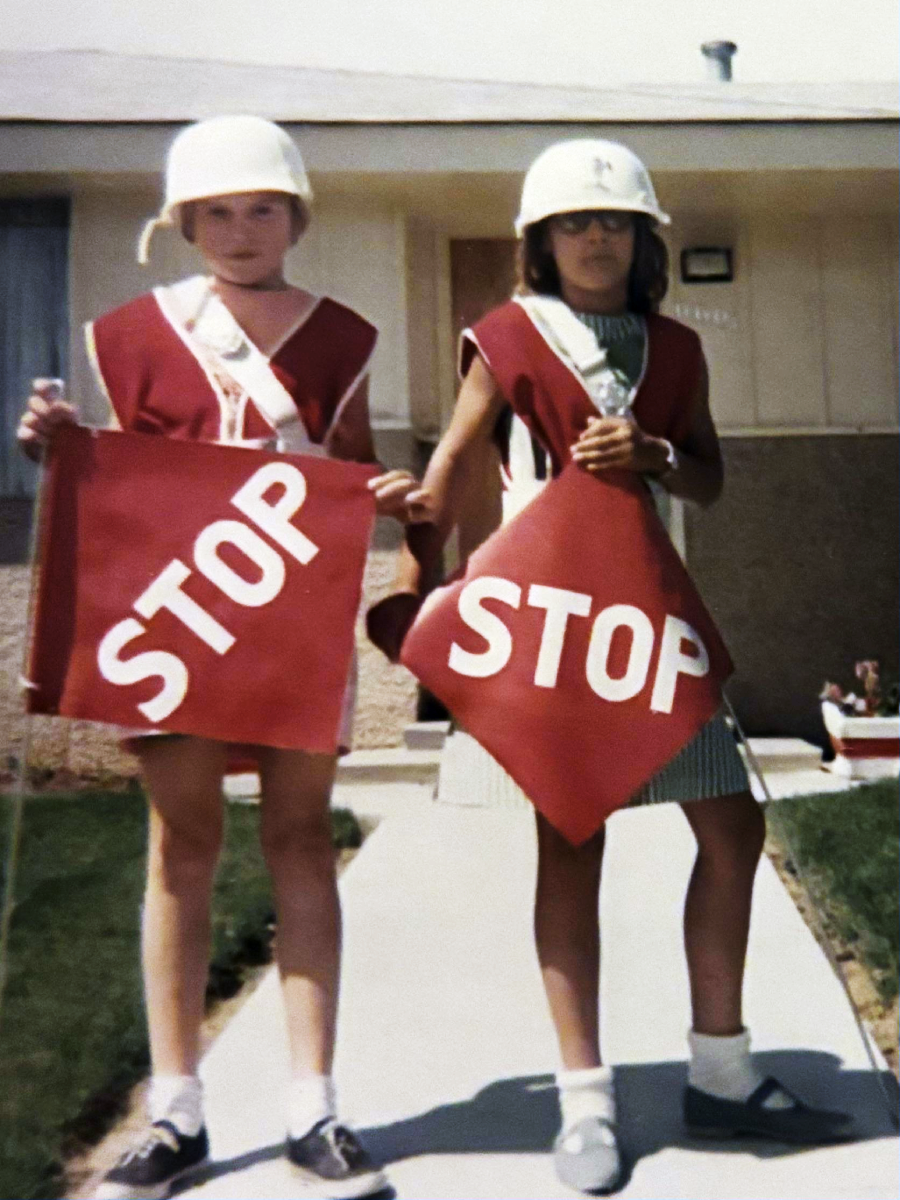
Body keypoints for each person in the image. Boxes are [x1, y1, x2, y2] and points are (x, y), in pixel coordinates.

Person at [369, 138, 851, 1193]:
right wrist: (418, 578)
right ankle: (583, 1100)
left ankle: (721, 1072)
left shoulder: (674, 350)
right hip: (549, 621)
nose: (597, 237)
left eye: (617, 222)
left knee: (734, 823)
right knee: (570, 841)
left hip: (648, 613)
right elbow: (453, 460)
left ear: (646, 240)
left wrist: (658, 456)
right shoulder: (505, 335)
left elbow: (711, 477)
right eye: (575, 222)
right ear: (538, 242)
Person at [19, 114, 417, 1200]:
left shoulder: (343, 335)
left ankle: (312, 1104)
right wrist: (55, 444)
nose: (242, 230)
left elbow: (357, 467)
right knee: (180, 847)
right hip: (180, 614)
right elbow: (120, 479)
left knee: (299, 840)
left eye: (263, 208)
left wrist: (386, 495)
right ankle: (177, 1108)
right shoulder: (128, 334)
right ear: (183, 222)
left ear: (295, 215)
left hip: (292, 613)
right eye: (219, 212)